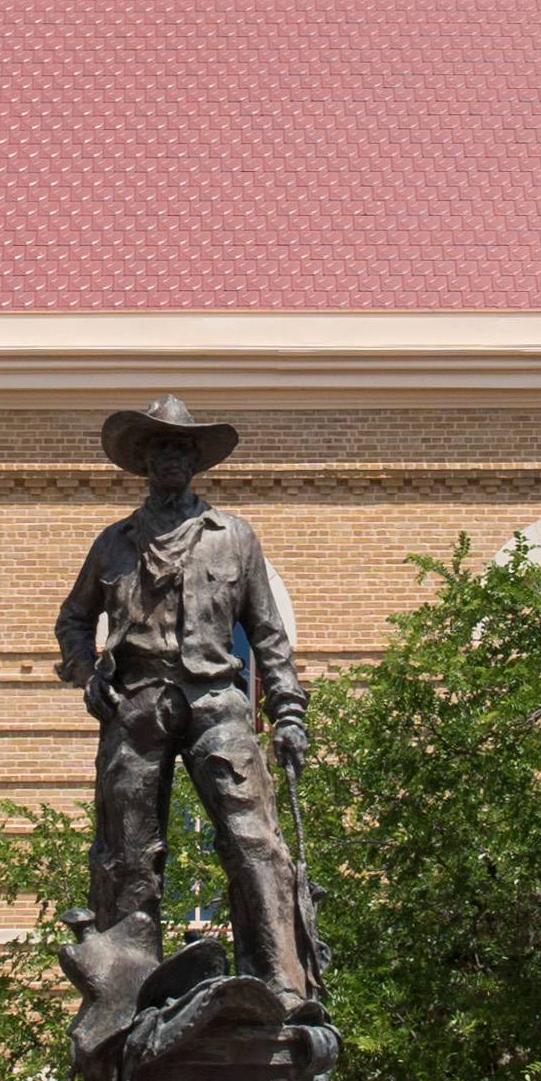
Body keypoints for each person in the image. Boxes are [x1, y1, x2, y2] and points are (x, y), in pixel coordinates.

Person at [54, 396, 315, 1004]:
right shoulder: (114, 544)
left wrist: (287, 712)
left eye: (180, 447)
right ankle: (126, 990)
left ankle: (280, 983)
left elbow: (269, 635)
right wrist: (88, 673)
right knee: (128, 851)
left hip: (215, 700)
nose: (170, 457)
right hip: (137, 703)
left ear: (195, 461)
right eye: (159, 447)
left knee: (253, 838)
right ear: (144, 461)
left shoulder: (234, 539)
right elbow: (73, 620)